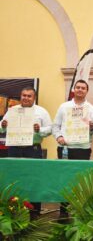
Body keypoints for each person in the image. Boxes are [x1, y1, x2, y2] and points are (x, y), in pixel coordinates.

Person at [0, 87, 52, 219]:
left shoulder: (41, 111)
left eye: (29, 96)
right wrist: (3, 125)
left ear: (34, 98)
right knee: (14, 178)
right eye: (24, 95)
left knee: (33, 179)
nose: (26, 98)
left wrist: (39, 129)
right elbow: (1, 127)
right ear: (20, 96)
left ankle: (34, 211)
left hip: (32, 149)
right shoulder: (12, 111)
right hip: (14, 148)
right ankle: (13, 208)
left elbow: (50, 129)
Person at [52, 79, 93, 218]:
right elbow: (55, 126)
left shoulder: (91, 109)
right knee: (65, 179)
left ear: (86, 91)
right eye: (77, 87)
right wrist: (59, 137)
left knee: (81, 180)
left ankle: (80, 212)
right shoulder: (64, 107)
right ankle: (63, 211)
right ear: (74, 89)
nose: (80, 90)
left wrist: (92, 127)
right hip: (65, 148)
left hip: (83, 148)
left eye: (83, 88)